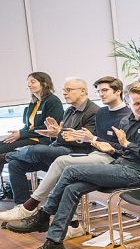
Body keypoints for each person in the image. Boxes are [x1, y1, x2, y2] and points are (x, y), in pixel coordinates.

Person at [11, 85, 140, 249]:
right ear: (128, 103)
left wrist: (126, 145)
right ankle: (54, 242)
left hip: (139, 173)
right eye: (137, 103)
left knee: (70, 170)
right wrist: (106, 146)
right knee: (72, 188)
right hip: (120, 165)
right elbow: (120, 150)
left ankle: (44, 215)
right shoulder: (126, 121)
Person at [1, 77, 128, 226]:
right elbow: (66, 136)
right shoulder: (70, 110)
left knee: (38, 151)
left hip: (79, 153)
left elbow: (85, 141)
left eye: (68, 90)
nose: (65, 94)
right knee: (16, 165)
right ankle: (21, 210)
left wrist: (61, 133)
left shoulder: (94, 112)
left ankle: (8, 157)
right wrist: (55, 134)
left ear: (82, 91)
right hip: (61, 150)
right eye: (64, 91)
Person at [0, 72, 66, 187]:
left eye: (33, 81)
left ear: (44, 83)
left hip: (41, 140)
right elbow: (28, 126)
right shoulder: (34, 102)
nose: (29, 85)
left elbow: (48, 128)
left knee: (2, 151)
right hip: (30, 137)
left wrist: (21, 134)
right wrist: (19, 132)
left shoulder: (52, 101)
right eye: (28, 82)